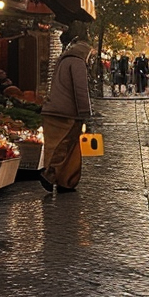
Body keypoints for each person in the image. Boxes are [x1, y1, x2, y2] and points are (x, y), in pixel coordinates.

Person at [39, 40, 93, 193]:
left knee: (54, 145)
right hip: (67, 113)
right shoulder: (78, 63)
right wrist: (85, 113)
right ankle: (51, 175)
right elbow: (80, 90)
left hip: (52, 110)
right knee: (65, 145)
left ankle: (64, 180)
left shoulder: (62, 61)